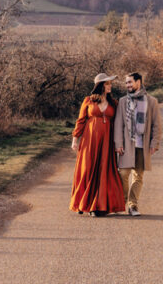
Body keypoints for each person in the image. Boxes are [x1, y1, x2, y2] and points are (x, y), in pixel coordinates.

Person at [70, 73, 126, 217]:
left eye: (110, 83)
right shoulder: (88, 101)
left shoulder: (114, 103)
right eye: (107, 84)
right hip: (90, 140)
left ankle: (98, 206)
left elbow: (119, 124)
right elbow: (81, 120)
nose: (110, 86)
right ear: (100, 85)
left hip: (107, 142)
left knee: (103, 171)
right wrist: (75, 139)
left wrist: (120, 143)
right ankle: (83, 202)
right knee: (87, 170)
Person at [114, 72, 161, 216]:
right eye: (126, 83)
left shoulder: (151, 101)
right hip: (127, 146)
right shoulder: (122, 102)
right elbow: (118, 124)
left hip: (143, 145)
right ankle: (121, 202)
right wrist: (118, 143)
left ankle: (133, 206)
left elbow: (156, 125)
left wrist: (154, 143)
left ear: (138, 82)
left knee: (138, 177)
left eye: (130, 82)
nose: (127, 85)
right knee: (122, 174)